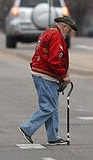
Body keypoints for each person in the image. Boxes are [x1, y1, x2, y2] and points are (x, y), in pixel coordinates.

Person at [18, 16, 77, 146]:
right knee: (48, 107)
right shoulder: (56, 36)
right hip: (46, 75)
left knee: (52, 107)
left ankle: (53, 136)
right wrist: (63, 76)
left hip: (40, 72)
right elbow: (54, 60)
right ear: (64, 27)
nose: (68, 34)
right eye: (69, 31)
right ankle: (27, 128)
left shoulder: (48, 33)